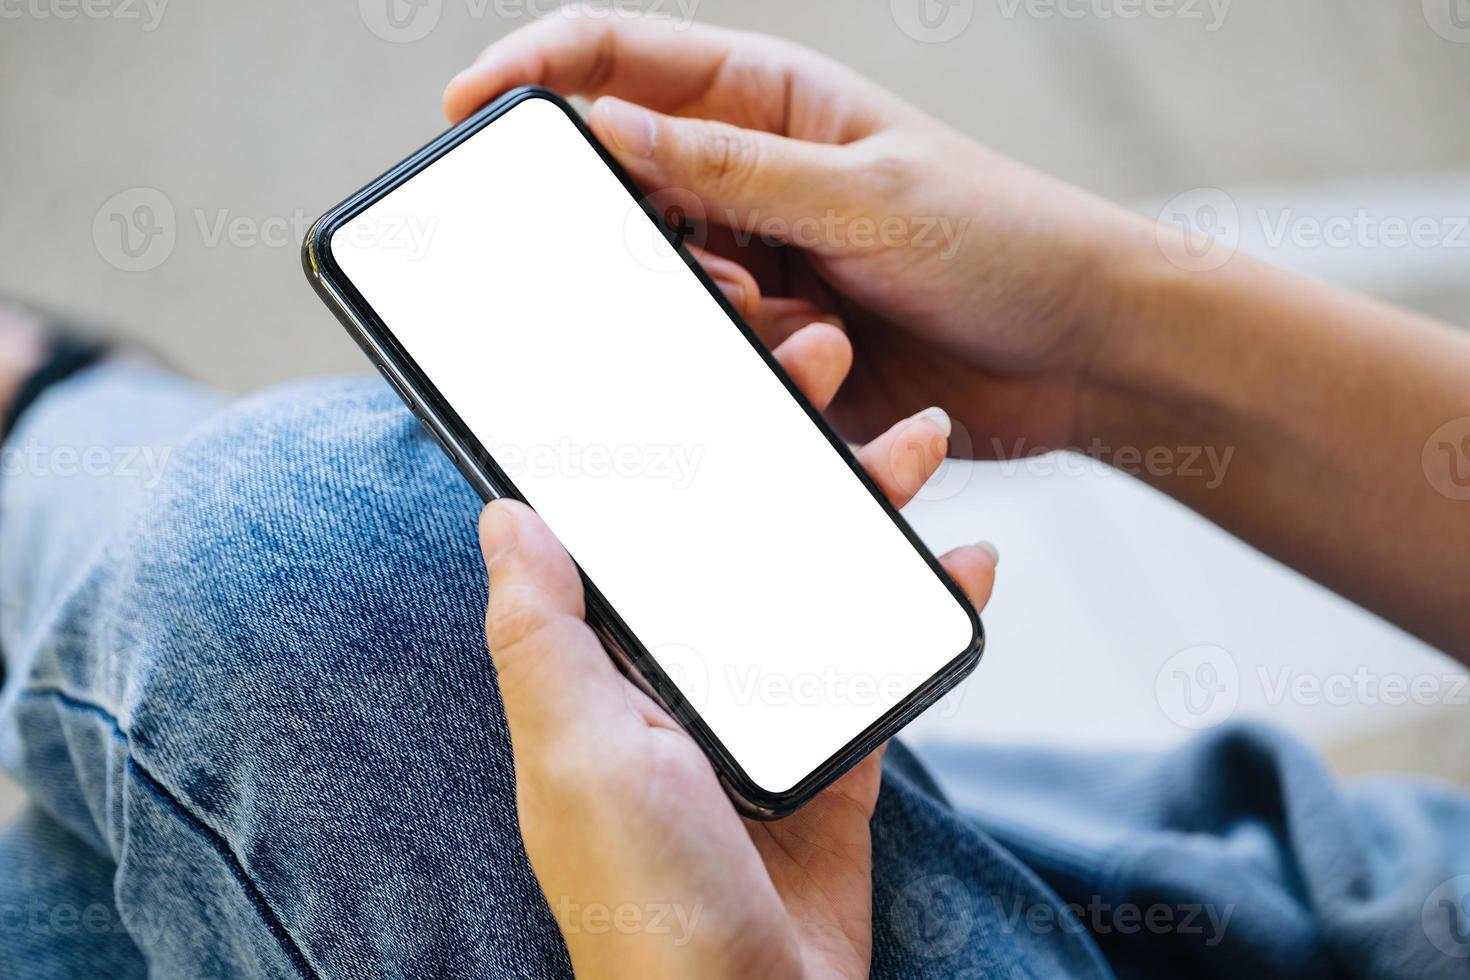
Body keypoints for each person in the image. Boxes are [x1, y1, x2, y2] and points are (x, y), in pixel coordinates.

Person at [2, 11, 1468, 979]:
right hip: (1341, 902)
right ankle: (50, 440)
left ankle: (47, 440)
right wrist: (1096, 336)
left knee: (314, 593)